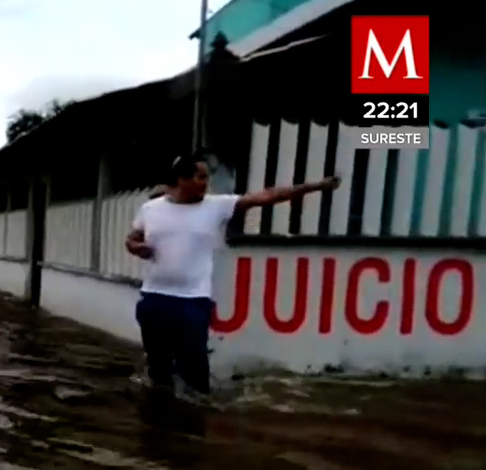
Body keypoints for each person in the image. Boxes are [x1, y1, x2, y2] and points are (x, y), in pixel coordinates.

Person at [125, 154, 340, 396]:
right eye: (201, 177)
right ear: (182, 179)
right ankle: (160, 419)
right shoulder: (150, 209)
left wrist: (315, 186)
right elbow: (133, 237)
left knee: (195, 375)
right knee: (158, 371)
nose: (206, 183)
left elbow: (268, 196)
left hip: (193, 302)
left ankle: (194, 423)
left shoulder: (217, 205)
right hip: (154, 299)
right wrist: (135, 247)